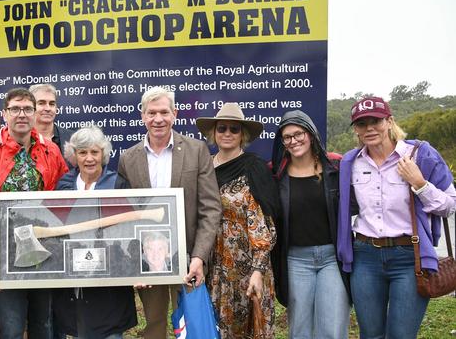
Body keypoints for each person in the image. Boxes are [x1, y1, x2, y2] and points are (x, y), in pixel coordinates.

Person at [337, 97, 456, 338]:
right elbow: (344, 206)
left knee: (401, 335)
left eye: (376, 121)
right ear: (356, 130)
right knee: (370, 335)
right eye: (361, 124)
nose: (369, 128)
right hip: (365, 257)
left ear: (389, 121)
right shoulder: (351, 162)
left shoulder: (421, 155)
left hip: (409, 258)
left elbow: (449, 205)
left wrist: (420, 183)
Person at [117, 86, 222, 339]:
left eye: (164, 111)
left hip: (187, 259)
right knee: (153, 326)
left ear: (174, 113)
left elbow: (210, 208)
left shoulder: (197, 151)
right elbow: (125, 214)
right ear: (142, 115)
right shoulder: (128, 159)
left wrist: (199, 257)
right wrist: (133, 260)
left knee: (192, 324)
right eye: (151, 112)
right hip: (147, 259)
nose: (158, 119)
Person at [0, 87, 68, 339]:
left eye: (27, 109)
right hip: (4, 259)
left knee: (43, 327)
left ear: (35, 114)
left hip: (45, 255)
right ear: (5, 113)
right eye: (15, 109)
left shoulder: (50, 151)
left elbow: (65, 200)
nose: (21, 114)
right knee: (11, 329)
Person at [195, 102, 279, 338]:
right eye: (222, 128)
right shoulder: (204, 167)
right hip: (212, 265)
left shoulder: (254, 168)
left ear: (243, 135)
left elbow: (263, 224)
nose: (228, 134)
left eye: (234, 129)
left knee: (247, 329)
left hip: (247, 266)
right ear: (214, 132)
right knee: (216, 329)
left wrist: (258, 271)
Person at [52, 126, 137, 339]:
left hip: (110, 277)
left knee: (110, 333)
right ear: (74, 156)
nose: (89, 158)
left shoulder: (118, 184)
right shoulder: (63, 186)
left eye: (94, 152)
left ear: (103, 154)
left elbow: (128, 231)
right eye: (82, 152)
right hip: (75, 277)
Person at [271, 110, 350, 339]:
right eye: (287, 137)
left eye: (299, 134)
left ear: (311, 134)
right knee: (300, 329)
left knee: (332, 329)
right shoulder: (276, 173)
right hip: (296, 259)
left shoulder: (335, 167)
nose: (294, 141)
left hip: (331, 258)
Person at [29, 83, 75, 163]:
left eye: (52, 104)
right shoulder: (20, 140)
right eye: (41, 103)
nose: (48, 108)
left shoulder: (73, 139)